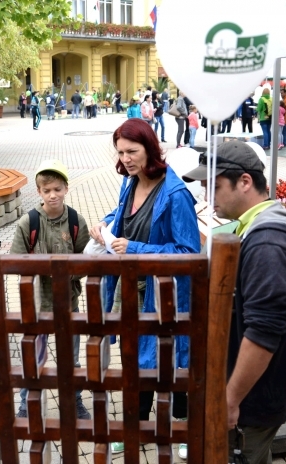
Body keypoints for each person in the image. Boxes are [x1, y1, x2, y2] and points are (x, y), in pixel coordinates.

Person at [89, 119, 199, 457]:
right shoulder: (130, 183)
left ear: (150, 148)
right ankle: (133, 427)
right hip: (130, 290)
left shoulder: (175, 193)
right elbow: (125, 216)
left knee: (172, 357)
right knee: (133, 358)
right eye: (120, 152)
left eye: (132, 151)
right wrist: (106, 223)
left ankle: (180, 429)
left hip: (164, 293)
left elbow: (188, 251)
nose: (125, 159)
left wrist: (134, 248)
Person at [209, 141, 286, 464]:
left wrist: (231, 399)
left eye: (214, 187)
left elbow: (264, 331)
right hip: (257, 393)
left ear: (244, 182)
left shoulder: (268, 242)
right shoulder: (257, 230)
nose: (208, 197)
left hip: (254, 397)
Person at [10, 159, 91, 420]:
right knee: (33, 358)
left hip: (69, 302)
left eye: (57, 189)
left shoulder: (76, 221)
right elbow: (16, 262)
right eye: (47, 191)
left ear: (66, 188)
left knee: (72, 360)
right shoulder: (28, 222)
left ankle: (74, 401)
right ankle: (26, 403)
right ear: (39, 192)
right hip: (36, 306)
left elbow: (86, 258)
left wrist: (67, 273)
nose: (53, 195)